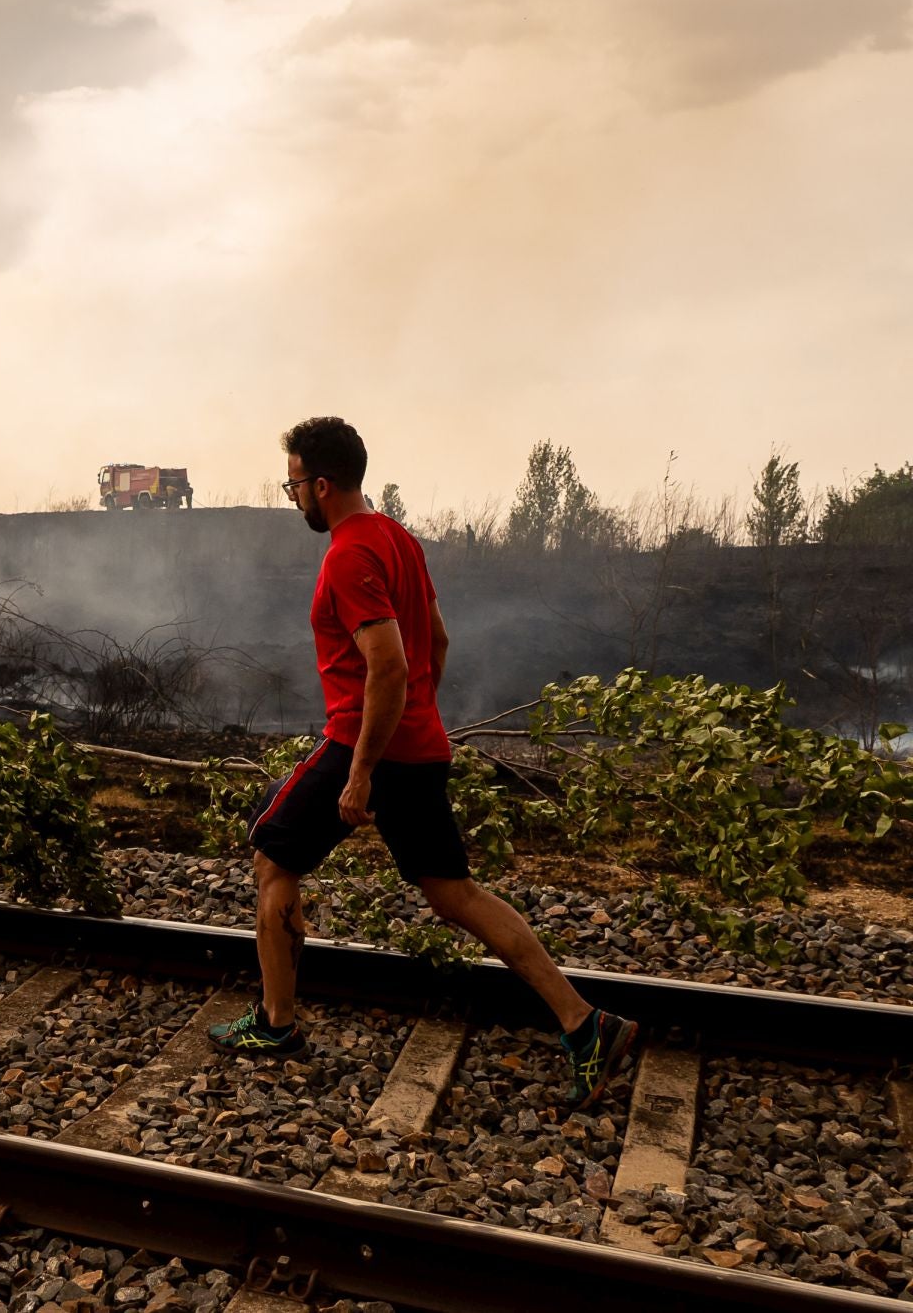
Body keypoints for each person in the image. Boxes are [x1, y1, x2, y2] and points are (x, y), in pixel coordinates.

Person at [209, 417, 639, 1111]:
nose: (293, 499)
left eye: (293, 486)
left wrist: (362, 771)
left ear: (321, 484)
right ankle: (586, 1024)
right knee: (454, 894)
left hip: (363, 744)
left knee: (270, 855)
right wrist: (417, 720)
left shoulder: (348, 555)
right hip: (419, 746)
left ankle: (276, 1025)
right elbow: (436, 641)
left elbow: (390, 663)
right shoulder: (400, 540)